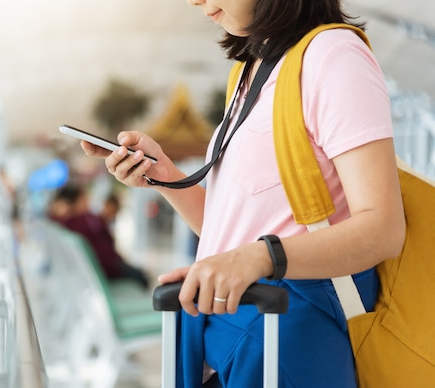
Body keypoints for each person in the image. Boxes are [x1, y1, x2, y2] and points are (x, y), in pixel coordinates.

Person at [79, 1, 406, 387]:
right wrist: (163, 175)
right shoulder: (249, 73)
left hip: (287, 335)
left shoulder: (334, 57)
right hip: (236, 329)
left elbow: (383, 228)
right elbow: (235, 230)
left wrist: (261, 257)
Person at [49, 184, 150, 290]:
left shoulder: (64, 225)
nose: (87, 201)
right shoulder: (82, 222)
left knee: (140, 273)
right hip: (104, 271)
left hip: (94, 272)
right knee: (141, 277)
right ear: (74, 201)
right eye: (84, 198)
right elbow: (105, 253)